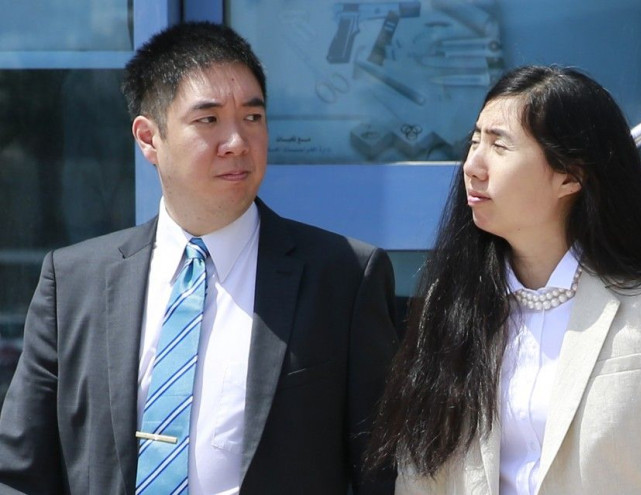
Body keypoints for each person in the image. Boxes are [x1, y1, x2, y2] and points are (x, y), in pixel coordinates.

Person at [0, 21, 397, 494]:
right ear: (149, 139)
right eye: (208, 120)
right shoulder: (73, 281)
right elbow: (21, 471)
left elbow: (381, 470)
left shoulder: (343, 275)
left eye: (253, 117)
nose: (238, 142)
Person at [367, 65, 641, 494]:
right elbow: (420, 479)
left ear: (570, 175)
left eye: (499, 145)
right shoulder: (448, 307)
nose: (472, 166)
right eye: (473, 142)